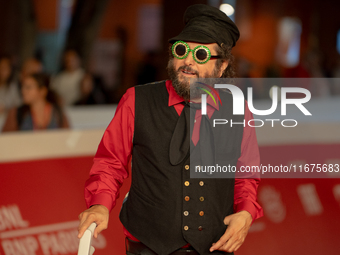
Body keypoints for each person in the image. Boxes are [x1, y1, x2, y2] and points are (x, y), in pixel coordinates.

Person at [78, 4, 263, 255]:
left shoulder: (238, 110)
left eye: (200, 55)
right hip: (147, 247)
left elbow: (245, 175)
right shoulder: (136, 100)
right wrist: (100, 204)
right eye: (181, 50)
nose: (187, 61)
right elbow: (110, 163)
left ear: (221, 67)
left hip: (214, 247)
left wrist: (245, 213)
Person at [2, 73, 69, 132]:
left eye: (28, 87)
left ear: (42, 91)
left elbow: (67, 137)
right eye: (22, 87)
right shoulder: (17, 113)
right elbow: (6, 139)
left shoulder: (57, 112)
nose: (23, 91)